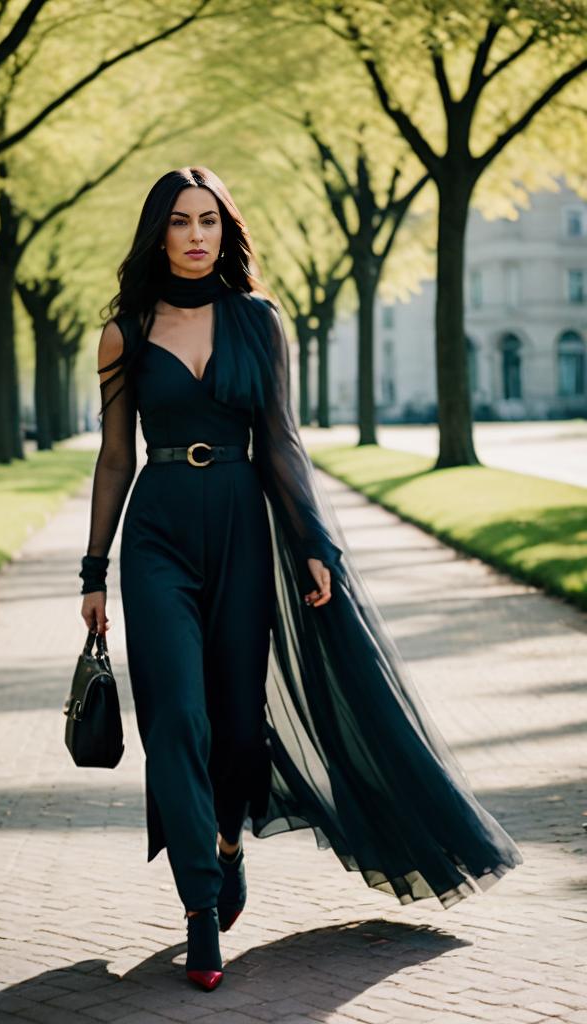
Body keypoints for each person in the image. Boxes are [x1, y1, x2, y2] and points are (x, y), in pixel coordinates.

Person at [79, 166, 523, 992]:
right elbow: (112, 458)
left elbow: (281, 440)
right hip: (157, 533)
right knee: (175, 713)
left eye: (209, 219)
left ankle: (225, 840)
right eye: (179, 222)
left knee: (239, 728)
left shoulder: (259, 322)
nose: (196, 235)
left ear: (225, 229)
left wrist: (314, 542)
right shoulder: (125, 334)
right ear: (158, 232)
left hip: (247, 528)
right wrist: (94, 569)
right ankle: (201, 910)